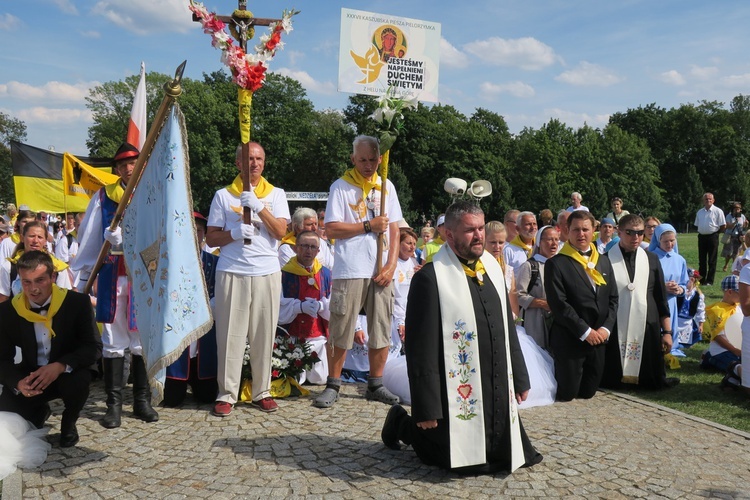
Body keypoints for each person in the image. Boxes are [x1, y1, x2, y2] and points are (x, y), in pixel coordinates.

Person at [380, 201, 542, 473]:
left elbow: (507, 328)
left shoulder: (491, 268)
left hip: (495, 379)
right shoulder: (430, 279)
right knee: (447, 459)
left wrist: (520, 376)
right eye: (470, 230)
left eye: (480, 228)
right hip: (452, 390)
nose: (479, 235)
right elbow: (420, 348)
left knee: (505, 456)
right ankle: (401, 423)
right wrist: (426, 407)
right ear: (450, 234)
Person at [72, 142, 159, 428]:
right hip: (112, 276)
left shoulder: (153, 194)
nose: (128, 168)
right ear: (117, 169)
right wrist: (86, 275)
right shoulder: (103, 196)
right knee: (113, 340)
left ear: (142, 164)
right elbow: (89, 238)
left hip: (143, 276)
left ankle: (142, 401)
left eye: (133, 163)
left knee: (140, 341)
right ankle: (113, 405)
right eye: (123, 165)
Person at [314, 135, 403, 409]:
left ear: (380, 159)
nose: (368, 165)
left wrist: (391, 265)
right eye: (362, 160)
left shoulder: (386, 186)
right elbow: (332, 229)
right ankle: (333, 384)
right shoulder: (340, 187)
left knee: (380, 328)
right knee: (341, 327)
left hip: (380, 270)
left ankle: (375, 384)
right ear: (353, 159)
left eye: (373, 159)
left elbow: (396, 228)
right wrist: (368, 226)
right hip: (350, 267)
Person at [206, 143, 291, 417]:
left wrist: (258, 207)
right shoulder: (222, 195)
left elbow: (280, 231)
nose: (254, 163)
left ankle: (262, 391)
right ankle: (227, 393)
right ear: (238, 164)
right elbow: (210, 237)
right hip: (233, 270)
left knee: (263, 334)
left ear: (264, 163)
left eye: (258, 159)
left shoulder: (276, 195)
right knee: (230, 334)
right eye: (248, 159)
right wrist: (232, 233)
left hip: (266, 271)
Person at [0, 251, 100, 447]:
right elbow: (2, 359)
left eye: (40, 280)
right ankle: (39, 409)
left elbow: (93, 347)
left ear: (53, 277)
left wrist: (60, 365)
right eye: (26, 282)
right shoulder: (7, 311)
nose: (33, 289)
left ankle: (69, 422)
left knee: (79, 382)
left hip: (66, 373)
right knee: (6, 411)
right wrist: (18, 383)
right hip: (32, 372)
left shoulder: (77, 303)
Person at [545, 210, 618, 401]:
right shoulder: (557, 264)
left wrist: (605, 329)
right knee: (567, 394)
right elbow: (559, 304)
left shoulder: (603, 261)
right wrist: (586, 332)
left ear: (594, 230)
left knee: (588, 393)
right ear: (567, 231)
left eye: (585, 229)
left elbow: (613, 298)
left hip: (599, 340)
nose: (581, 234)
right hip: (572, 338)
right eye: (576, 229)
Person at [601, 214, 677, 390]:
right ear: (619, 232)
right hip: (616, 323)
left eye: (640, 233)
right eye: (630, 232)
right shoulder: (604, 260)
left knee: (649, 380)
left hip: (646, 325)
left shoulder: (651, 259)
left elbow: (660, 297)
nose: (635, 237)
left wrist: (667, 331)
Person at [163, 212, 219, 407]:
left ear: (204, 234)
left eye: (198, 231)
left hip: (205, 334)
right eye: (189, 230)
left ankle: (199, 380)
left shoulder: (215, 262)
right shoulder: (168, 262)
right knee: (172, 400)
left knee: (207, 397)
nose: (193, 235)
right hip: (178, 333)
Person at [278, 230, 331, 385]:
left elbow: (334, 303)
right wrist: (299, 307)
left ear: (318, 250)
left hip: (317, 337)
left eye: (313, 247)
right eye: (304, 246)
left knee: (320, 380)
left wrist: (321, 305)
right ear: (296, 248)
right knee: (294, 380)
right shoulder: (283, 274)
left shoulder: (326, 274)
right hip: (291, 336)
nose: (308, 251)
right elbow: (277, 304)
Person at [1, 220, 74, 301]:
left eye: (40, 237)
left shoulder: (58, 268)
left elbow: (64, 299)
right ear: (22, 238)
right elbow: (3, 300)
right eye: (31, 236)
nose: (35, 241)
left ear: (45, 240)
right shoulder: (9, 267)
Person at [648, 224, 690, 358]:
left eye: (672, 240)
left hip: (671, 302)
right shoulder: (650, 257)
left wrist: (679, 289)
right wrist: (662, 286)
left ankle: (671, 345)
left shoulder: (679, 259)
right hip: (654, 301)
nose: (669, 244)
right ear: (658, 240)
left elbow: (684, 283)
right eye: (666, 241)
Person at [516, 225, 559, 350]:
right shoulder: (529, 266)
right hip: (533, 320)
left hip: (554, 321)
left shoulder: (559, 265)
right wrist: (543, 303)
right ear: (539, 242)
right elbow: (519, 295)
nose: (554, 243)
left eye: (556, 239)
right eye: (549, 239)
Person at [701, 275, 742, 373]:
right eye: (740, 292)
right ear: (730, 292)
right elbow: (717, 337)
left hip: (737, 348)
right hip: (722, 350)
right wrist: (734, 350)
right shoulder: (718, 311)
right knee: (734, 366)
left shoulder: (739, 307)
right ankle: (709, 358)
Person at [694, 192, 726, 286]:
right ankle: (702, 279)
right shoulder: (699, 212)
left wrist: (716, 233)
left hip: (713, 236)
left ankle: (710, 280)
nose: (708, 200)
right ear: (703, 201)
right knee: (702, 259)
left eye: (710, 199)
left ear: (713, 200)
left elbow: (723, 225)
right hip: (702, 237)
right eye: (706, 199)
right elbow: (697, 224)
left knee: (712, 259)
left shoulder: (718, 211)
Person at [675, 269, 705, 348]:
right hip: (676, 320)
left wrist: (701, 325)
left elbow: (700, 310)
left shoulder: (698, 295)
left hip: (687, 322)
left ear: (692, 280)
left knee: (684, 343)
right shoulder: (678, 292)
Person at [722, 202, 747, 272]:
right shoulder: (729, 216)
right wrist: (735, 222)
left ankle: (734, 266)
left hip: (738, 237)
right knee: (728, 253)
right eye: (735, 209)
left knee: (736, 253)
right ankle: (726, 264)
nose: (737, 210)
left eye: (738, 209)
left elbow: (743, 226)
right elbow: (727, 226)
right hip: (730, 236)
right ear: (733, 209)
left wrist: (746, 224)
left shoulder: (742, 216)